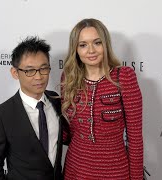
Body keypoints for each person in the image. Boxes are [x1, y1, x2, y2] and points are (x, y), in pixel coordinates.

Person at [61, 18, 143, 179]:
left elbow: (135, 137)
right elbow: (66, 133)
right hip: (75, 169)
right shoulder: (68, 78)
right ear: (75, 49)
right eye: (83, 45)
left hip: (115, 171)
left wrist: (136, 177)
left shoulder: (124, 76)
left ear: (105, 44)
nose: (91, 50)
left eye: (97, 43)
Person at [0, 36, 64, 180]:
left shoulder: (56, 100)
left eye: (43, 68)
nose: (39, 76)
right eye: (29, 71)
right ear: (15, 73)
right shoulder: (2, 114)